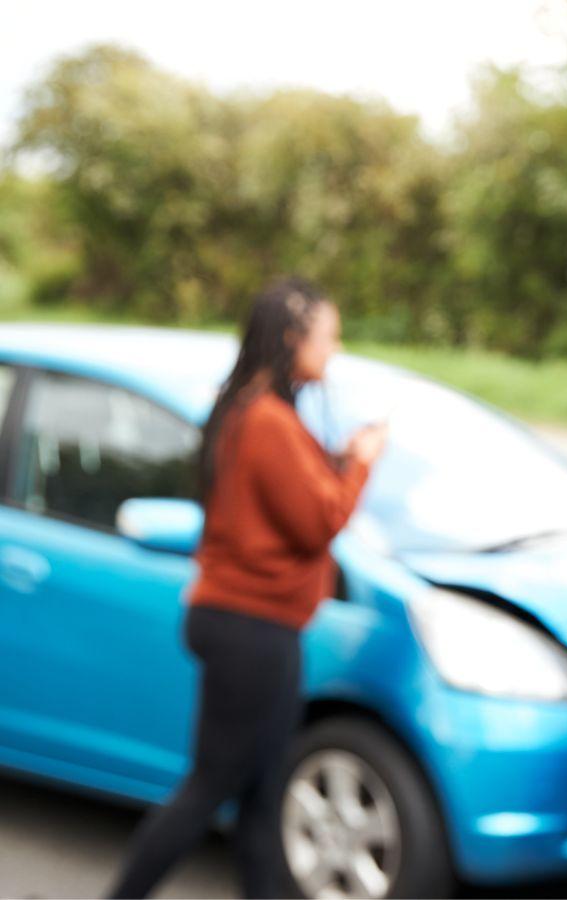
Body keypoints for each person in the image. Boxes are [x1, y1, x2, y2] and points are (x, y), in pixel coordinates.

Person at [110, 278, 387, 898]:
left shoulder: (253, 410)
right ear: (292, 340)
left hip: (255, 624)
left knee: (262, 794)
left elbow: (290, 502)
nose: (335, 349)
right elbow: (317, 523)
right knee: (212, 785)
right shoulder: (265, 420)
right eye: (327, 336)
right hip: (250, 626)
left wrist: (340, 463)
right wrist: (363, 461)